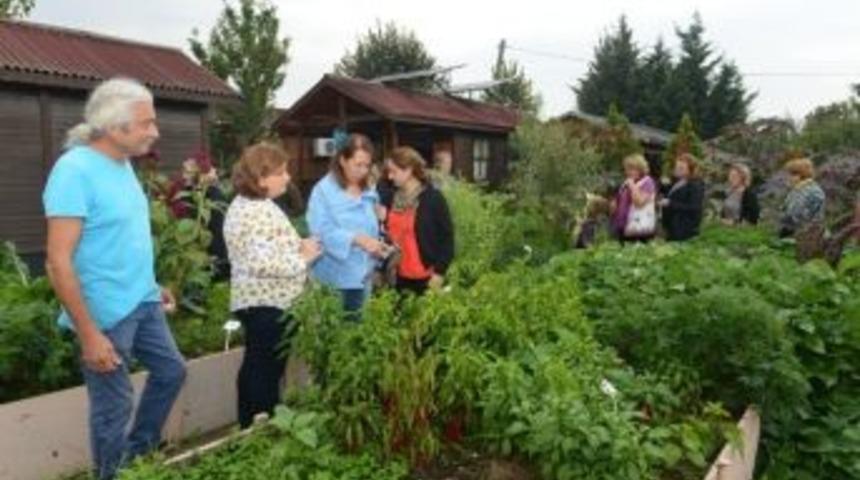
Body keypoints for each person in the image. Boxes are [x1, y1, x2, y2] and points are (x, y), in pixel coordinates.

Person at [42, 78, 186, 480]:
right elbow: (57, 261)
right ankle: (111, 474)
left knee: (172, 371)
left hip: (142, 300)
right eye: (146, 123)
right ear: (114, 125)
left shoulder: (122, 166)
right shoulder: (74, 171)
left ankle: (136, 459)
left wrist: (152, 284)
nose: (154, 131)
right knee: (114, 406)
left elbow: (118, 238)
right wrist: (89, 335)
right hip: (105, 312)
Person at [223, 143, 321, 429]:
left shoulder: (255, 206)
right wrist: (302, 259)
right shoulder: (253, 211)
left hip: (266, 301)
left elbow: (270, 250)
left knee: (262, 365)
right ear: (261, 177)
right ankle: (258, 426)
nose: (288, 177)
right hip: (266, 303)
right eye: (282, 172)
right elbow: (261, 263)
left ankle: (257, 422)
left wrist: (297, 245)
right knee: (263, 368)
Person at [307, 133, 386, 315]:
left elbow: (373, 225)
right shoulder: (323, 191)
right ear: (343, 160)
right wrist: (355, 239)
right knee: (339, 335)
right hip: (336, 278)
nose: (363, 171)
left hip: (364, 274)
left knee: (358, 332)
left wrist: (379, 221)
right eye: (358, 165)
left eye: (367, 165)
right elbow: (319, 231)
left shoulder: (368, 189)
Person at [382, 146, 455, 295]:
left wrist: (439, 273)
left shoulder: (432, 199)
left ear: (408, 170)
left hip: (427, 277)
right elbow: (386, 234)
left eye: (393, 171)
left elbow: (447, 239)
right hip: (397, 277)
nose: (390, 176)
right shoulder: (389, 198)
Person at [611, 154, 658, 243]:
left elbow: (639, 202)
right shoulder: (626, 182)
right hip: (623, 227)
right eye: (627, 169)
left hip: (639, 229)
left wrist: (632, 185)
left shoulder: (647, 182)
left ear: (640, 169)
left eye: (632, 169)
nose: (628, 172)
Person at [660, 153, 706, 241]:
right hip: (672, 226)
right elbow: (673, 194)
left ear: (691, 170)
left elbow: (694, 207)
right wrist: (664, 186)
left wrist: (670, 203)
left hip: (683, 229)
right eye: (677, 167)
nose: (677, 170)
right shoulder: (679, 181)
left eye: (681, 168)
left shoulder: (695, 185)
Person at [778, 158, 826, 238]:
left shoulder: (809, 191)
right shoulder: (799, 189)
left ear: (799, 175)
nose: (787, 178)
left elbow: (796, 215)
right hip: (801, 232)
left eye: (790, 175)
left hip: (804, 234)